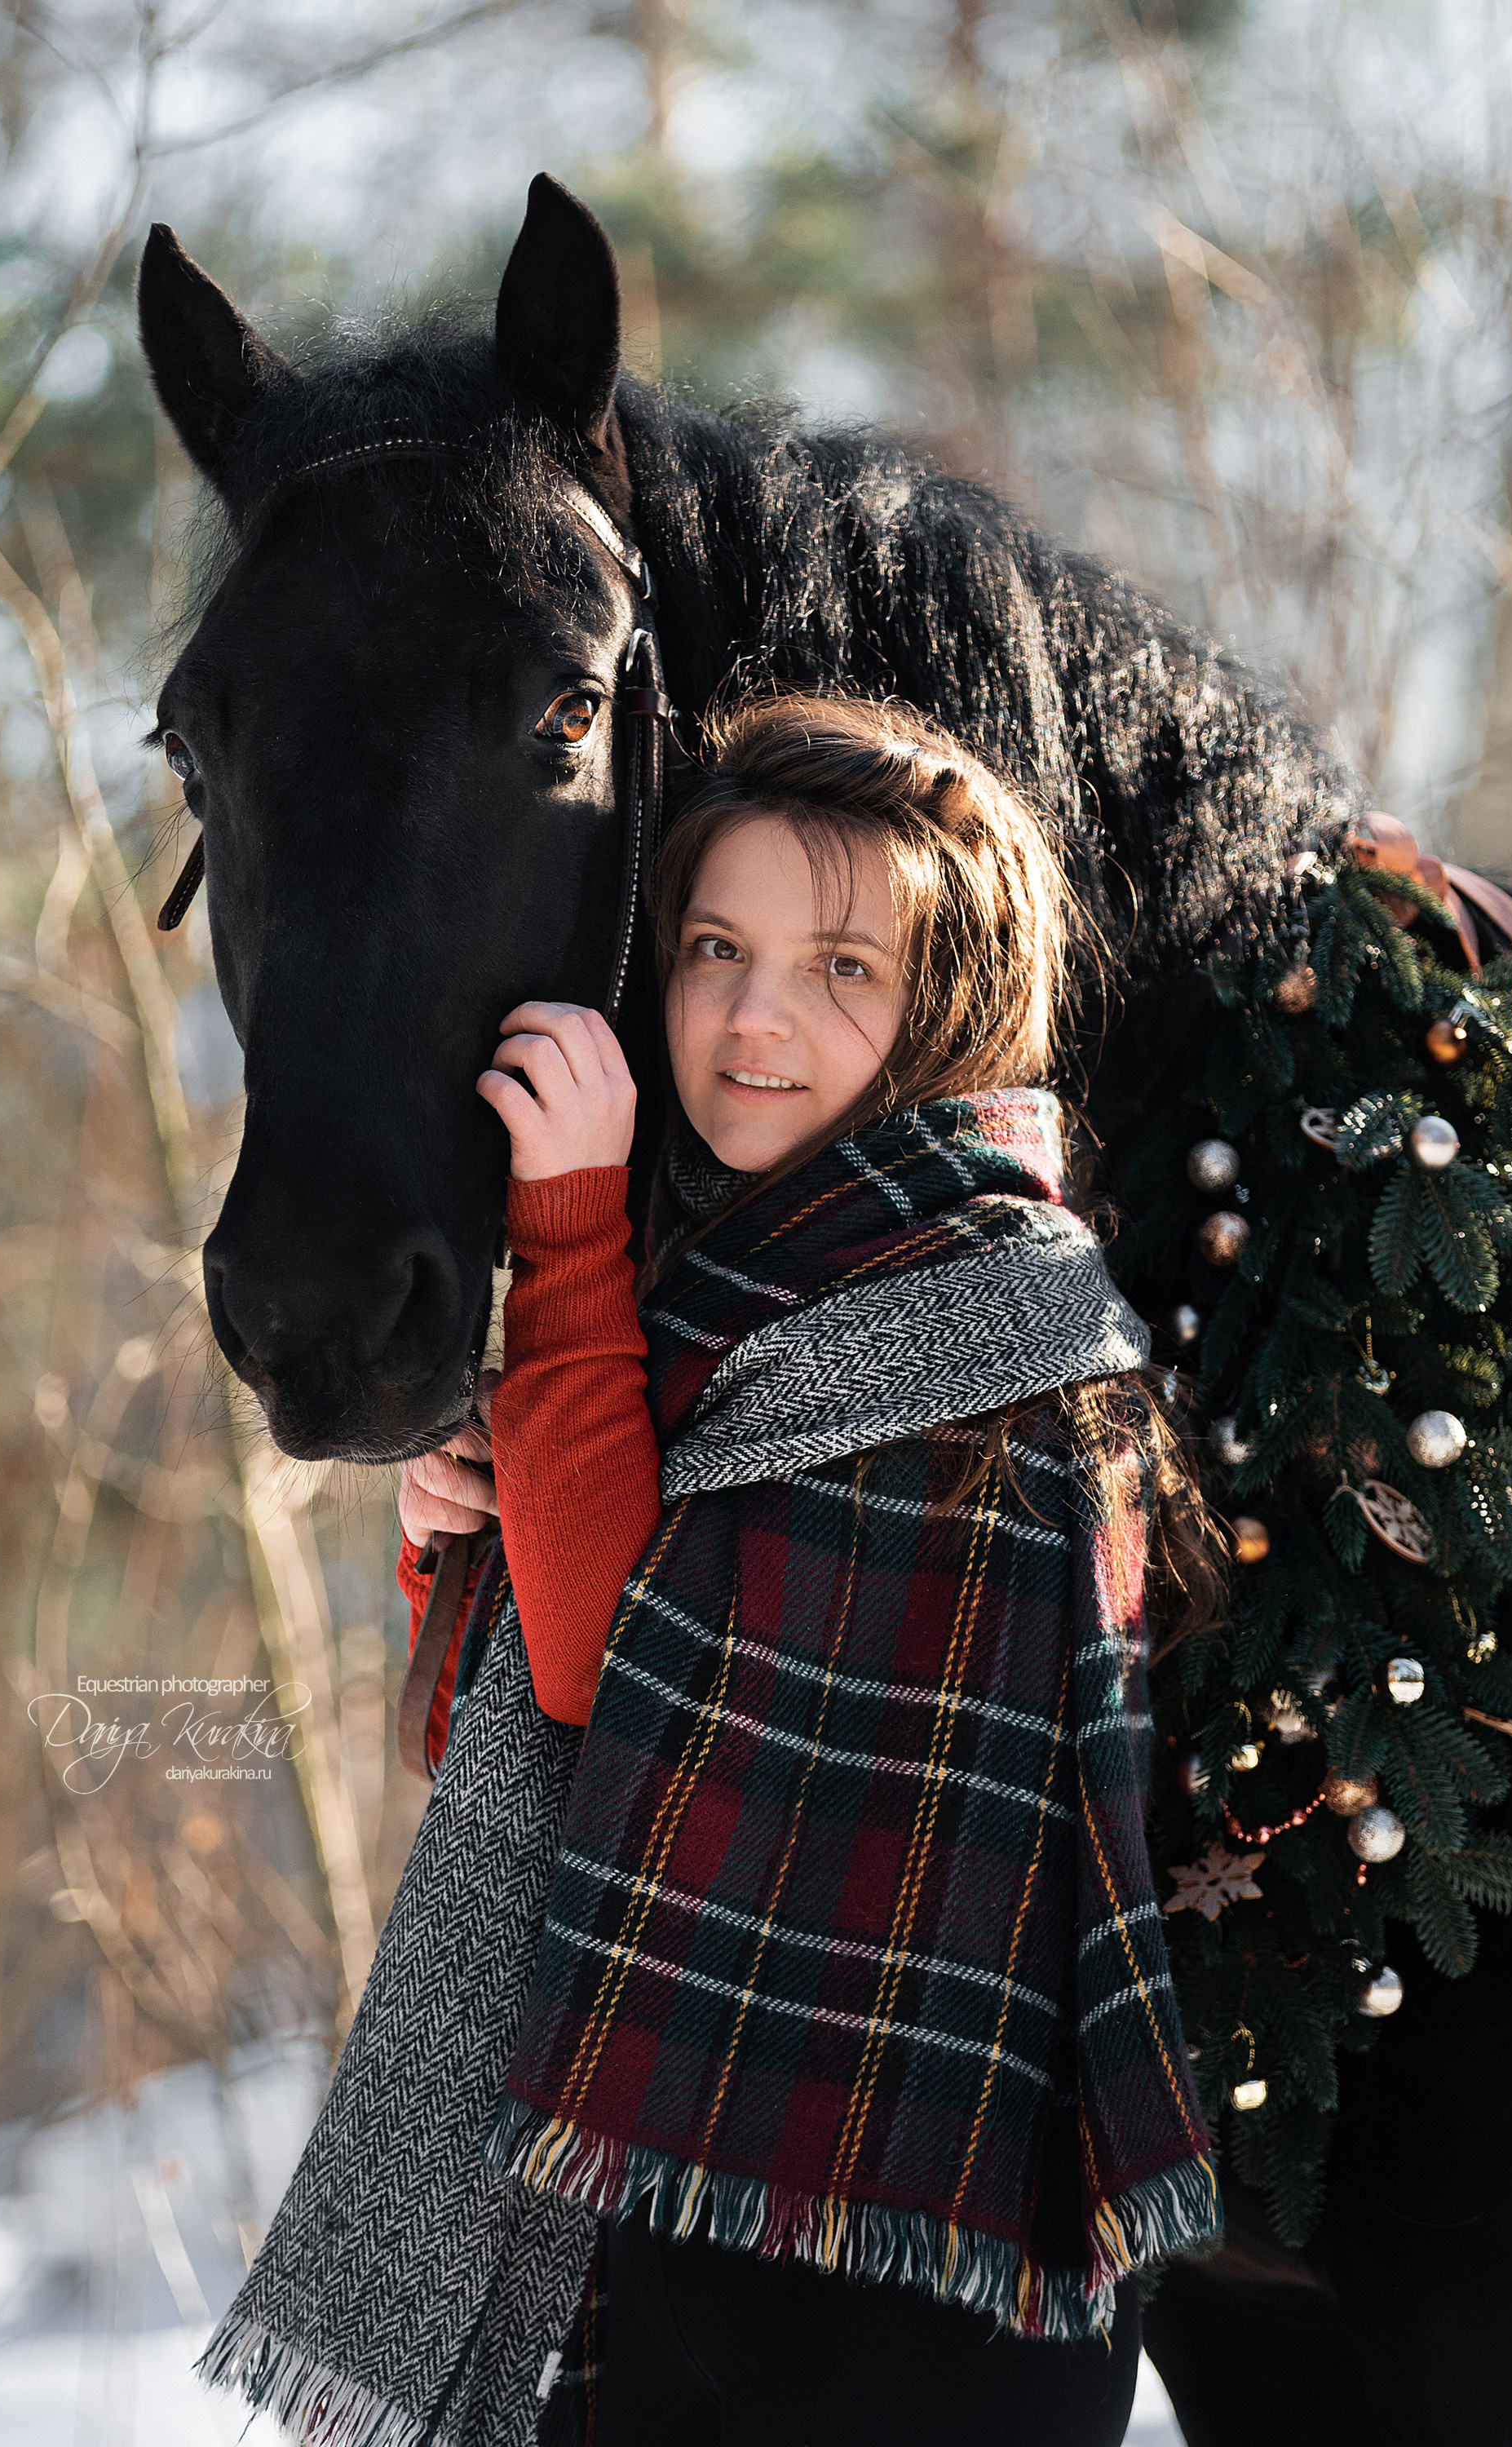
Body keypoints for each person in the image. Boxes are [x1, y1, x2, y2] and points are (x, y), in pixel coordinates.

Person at [396, 692, 1224, 2446]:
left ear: (953, 1001)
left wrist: (560, 1236)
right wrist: (457, 1532)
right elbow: (551, 1731)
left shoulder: (983, 1320)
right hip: (691, 2211)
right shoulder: (731, 1291)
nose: (754, 1016)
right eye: (716, 948)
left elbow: (608, 1688)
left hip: (893, 2265)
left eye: (844, 966)